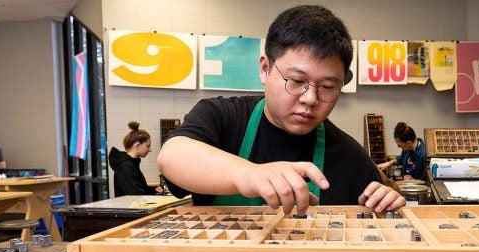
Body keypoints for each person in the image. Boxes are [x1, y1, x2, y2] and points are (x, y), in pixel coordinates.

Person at [157, 5, 405, 215]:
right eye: (296, 81)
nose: (310, 98)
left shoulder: (350, 157)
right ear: (265, 69)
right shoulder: (223, 116)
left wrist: (384, 204)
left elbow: (378, 212)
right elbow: (172, 155)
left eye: (328, 86)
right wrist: (250, 175)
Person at [109, 121, 164, 197]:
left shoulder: (131, 163)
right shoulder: (126, 166)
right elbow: (136, 196)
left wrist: (153, 190)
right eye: (147, 146)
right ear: (137, 145)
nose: (150, 150)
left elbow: (139, 189)